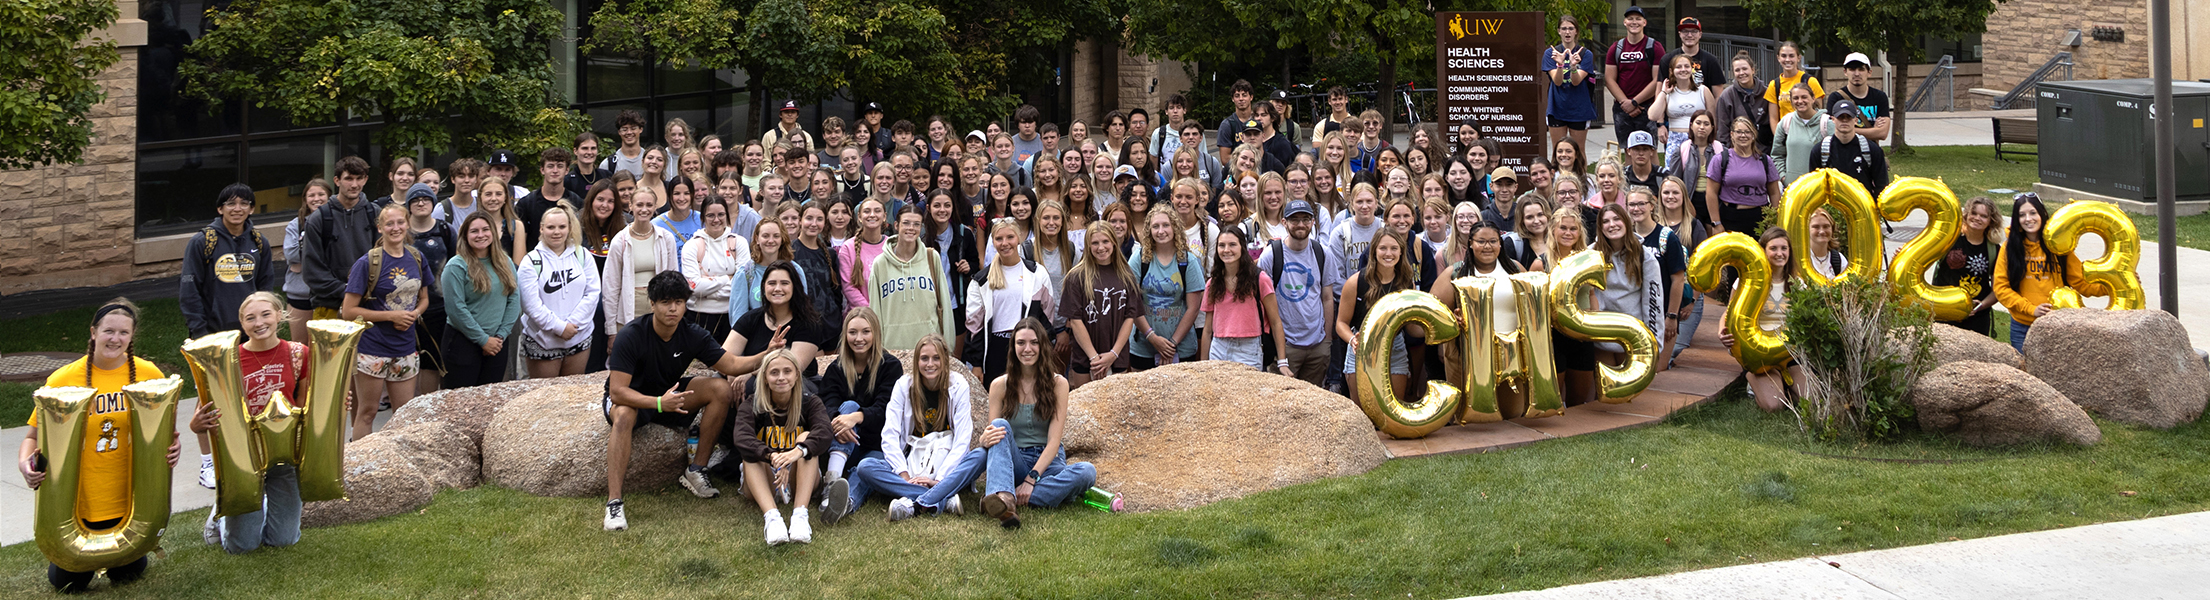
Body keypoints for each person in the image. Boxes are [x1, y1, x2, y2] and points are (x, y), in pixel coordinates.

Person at [17, 298, 179, 592]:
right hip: (81, 500)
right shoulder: (64, 379)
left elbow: (167, 432)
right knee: (67, 583)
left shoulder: (149, 375)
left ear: (132, 337)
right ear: (93, 332)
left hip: (126, 498)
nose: (115, 339)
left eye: (123, 333)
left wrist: (173, 447)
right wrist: (25, 465)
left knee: (128, 574)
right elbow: (31, 437)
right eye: (108, 331)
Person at [601, 272, 751, 530]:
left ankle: (696, 470)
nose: (673, 309)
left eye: (679, 302)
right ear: (652, 304)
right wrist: (660, 403)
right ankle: (614, 503)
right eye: (665, 302)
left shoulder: (692, 333)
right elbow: (617, 392)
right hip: (635, 399)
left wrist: (770, 353)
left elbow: (732, 364)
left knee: (720, 389)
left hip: (669, 395)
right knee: (624, 415)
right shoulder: (631, 334)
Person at [935, 318, 1096, 529]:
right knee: (1000, 425)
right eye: (1021, 343)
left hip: (1048, 464)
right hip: (1016, 460)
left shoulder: (1059, 384)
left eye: (1034, 343)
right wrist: (984, 438)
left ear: (1042, 346)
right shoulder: (999, 385)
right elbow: (995, 436)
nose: (1027, 349)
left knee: (1087, 472)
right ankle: (1014, 497)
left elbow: (1054, 442)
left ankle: (1003, 497)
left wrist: (1030, 481)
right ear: (1013, 347)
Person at [190, 292, 308, 554]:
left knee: (284, 541)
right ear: (242, 324)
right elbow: (202, 414)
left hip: (284, 454)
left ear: (279, 315)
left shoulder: (299, 354)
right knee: (241, 547)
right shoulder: (228, 360)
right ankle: (219, 519)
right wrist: (197, 423)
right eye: (250, 318)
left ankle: (261, 506)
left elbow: (305, 403)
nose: (259, 323)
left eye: (266, 314)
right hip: (243, 456)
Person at [829, 333, 969, 522]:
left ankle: (923, 495)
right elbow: (890, 434)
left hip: (944, 457)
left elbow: (962, 439)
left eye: (936, 358)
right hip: (911, 458)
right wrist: (903, 475)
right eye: (924, 358)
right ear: (916, 361)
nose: (930, 364)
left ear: (945, 360)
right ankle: (939, 498)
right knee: (866, 466)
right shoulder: (904, 386)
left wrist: (940, 479)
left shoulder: (958, 385)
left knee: (973, 461)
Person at [727, 348, 833, 545]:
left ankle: (800, 516)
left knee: (807, 438)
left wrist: (796, 453)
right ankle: (772, 519)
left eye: (787, 371)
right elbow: (741, 437)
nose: (781, 378)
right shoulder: (753, 404)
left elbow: (825, 433)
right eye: (774, 372)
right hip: (765, 478)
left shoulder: (810, 402)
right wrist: (772, 457)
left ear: (796, 376)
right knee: (750, 453)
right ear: (765, 377)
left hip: (798, 477)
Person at [342, 204, 429, 440]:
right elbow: (348, 311)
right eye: (389, 224)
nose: (395, 228)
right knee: (367, 412)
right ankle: (361, 464)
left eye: (400, 222)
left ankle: (396, 466)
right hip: (373, 349)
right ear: (380, 228)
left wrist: (414, 314)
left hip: (405, 347)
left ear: (407, 224)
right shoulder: (367, 263)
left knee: (402, 414)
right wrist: (391, 316)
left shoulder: (417, 258)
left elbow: (423, 299)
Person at [814, 308, 904, 512]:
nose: (859, 338)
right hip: (842, 446)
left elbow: (887, 409)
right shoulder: (836, 368)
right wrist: (840, 420)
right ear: (845, 335)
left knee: (866, 468)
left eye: (866, 331)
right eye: (852, 332)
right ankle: (831, 483)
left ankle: (845, 505)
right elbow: (825, 405)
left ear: (876, 334)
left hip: (877, 445)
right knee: (847, 406)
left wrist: (857, 417)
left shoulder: (890, 366)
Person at [1993, 193, 2101, 351]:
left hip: (2056, 326)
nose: (2028, 219)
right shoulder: (2009, 248)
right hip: (2022, 327)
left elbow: (2080, 283)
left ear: (2042, 214)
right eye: (2022, 215)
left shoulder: (2059, 247)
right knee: (2024, 373)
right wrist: (2031, 309)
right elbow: (2001, 288)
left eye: (2032, 213)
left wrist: (2112, 285)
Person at [1723, 228, 1807, 411]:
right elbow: (1728, 313)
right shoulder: (1746, 281)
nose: (1779, 253)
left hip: (1789, 352)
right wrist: (1722, 333)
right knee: (1774, 406)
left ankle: (1786, 381)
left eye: (1784, 248)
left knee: (1811, 402)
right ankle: (1753, 379)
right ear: (1763, 251)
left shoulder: (1797, 283)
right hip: (1759, 353)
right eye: (1773, 248)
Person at [442, 212, 522, 387]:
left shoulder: (505, 262)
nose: (481, 235)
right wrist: (483, 340)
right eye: (474, 231)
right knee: (460, 404)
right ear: (465, 235)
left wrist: (500, 336)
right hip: (463, 344)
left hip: (497, 344)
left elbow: (514, 299)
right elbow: (456, 309)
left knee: (490, 401)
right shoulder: (456, 266)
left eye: (485, 229)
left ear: (493, 232)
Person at [966, 219, 1051, 384]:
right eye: (999, 239)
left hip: (1027, 346)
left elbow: (1047, 316)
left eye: (1010, 237)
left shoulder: (1037, 273)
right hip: (995, 349)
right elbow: (974, 326)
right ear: (993, 242)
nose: (1005, 243)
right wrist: (976, 363)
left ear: (1018, 238)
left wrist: (1043, 350)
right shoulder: (981, 280)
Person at [1336, 228, 1417, 400]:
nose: (1389, 253)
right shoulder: (1355, 282)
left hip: (1395, 347)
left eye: (1394, 248)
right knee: (1362, 415)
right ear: (1374, 251)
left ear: (1401, 251)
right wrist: (1352, 340)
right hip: (1361, 348)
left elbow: (1411, 327)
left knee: (1394, 412)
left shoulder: (1407, 282)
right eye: (1383, 248)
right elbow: (1341, 324)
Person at [602, 186, 683, 351]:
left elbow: (673, 279)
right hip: (629, 306)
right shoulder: (620, 240)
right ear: (631, 206)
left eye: (649, 205)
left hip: (660, 305)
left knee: (658, 353)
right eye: (639, 205)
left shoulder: (665, 238)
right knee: (631, 355)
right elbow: (610, 287)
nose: (644, 209)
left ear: (655, 207)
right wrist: (611, 331)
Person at [1200, 227, 1291, 373]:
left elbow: (1275, 321)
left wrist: (1282, 362)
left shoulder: (1259, 279)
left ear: (1242, 247)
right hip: (1218, 347)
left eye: (1232, 245)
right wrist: (1203, 365)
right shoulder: (1213, 283)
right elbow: (1208, 329)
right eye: (1221, 245)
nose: (1226, 250)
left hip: (1249, 348)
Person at [1060, 221, 1138, 388]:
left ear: (1114, 243)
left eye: (1105, 242)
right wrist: (1094, 357)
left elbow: (1130, 317)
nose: (1100, 247)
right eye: (1095, 243)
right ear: (1088, 246)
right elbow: (1075, 320)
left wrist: (1113, 354)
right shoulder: (1076, 277)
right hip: (1086, 357)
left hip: (1117, 356)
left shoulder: (1126, 275)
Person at [1589, 204, 1666, 374]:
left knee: (1629, 394)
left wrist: (1654, 343)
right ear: (1600, 227)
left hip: (1632, 335)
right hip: (1602, 333)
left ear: (1626, 221)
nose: (1612, 225)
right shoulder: (1591, 254)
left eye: (1617, 219)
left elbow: (1653, 303)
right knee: (1604, 389)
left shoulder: (1645, 256)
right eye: (1606, 221)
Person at [1128, 204, 1206, 369]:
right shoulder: (1139, 258)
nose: (1160, 231)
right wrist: (1152, 338)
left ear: (1175, 227)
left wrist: (1171, 345)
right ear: (1149, 230)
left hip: (1181, 349)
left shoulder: (1188, 261)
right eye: (1155, 226)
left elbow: (1193, 308)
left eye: (1165, 225)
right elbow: (1132, 302)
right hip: (1143, 347)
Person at [868, 205, 957, 351]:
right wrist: (878, 349)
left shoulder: (931, 257)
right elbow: (875, 311)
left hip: (929, 347)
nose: (911, 228)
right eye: (906, 223)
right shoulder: (880, 263)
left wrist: (947, 346)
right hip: (892, 347)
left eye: (916, 224)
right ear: (896, 225)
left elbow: (945, 304)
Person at [305, 157, 379, 319]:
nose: (354, 185)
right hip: (329, 306)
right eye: (349, 179)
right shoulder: (318, 219)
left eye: (359, 178)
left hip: (369, 305)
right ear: (337, 181)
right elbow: (312, 272)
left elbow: (385, 257)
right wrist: (348, 290)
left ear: (366, 179)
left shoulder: (375, 213)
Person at [403, 183, 457, 394]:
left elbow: (457, 266)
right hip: (407, 310)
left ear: (433, 202)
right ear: (408, 205)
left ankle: (437, 406)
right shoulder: (401, 231)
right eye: (415, 200)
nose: (421, 203)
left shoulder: (444, 230)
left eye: (425, 199)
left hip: (441, 308)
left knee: (438, 361)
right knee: (415, 362)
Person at [680, 196, 751, 343]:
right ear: (703, 218)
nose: (716, 220)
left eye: (721, 215)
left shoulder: (739, 243)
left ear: (727, 215)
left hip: (731, 317)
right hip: (698, 317)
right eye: (710, 215)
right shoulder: (691, 246)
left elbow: (742, 286)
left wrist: (708, 288)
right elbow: (694, 287)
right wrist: (728, 278)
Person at [1655, 177, 1710, 362]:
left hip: (1687, 294)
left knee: (1675, 348)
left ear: (1684, 196)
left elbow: (1704, 268)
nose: (1671, 196)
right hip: (1658, 293)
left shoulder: (1695, 226)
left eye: (1675, 192)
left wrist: (1692, 300)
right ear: (1660, 196)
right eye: (1666, 192)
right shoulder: (1652, 224)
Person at [1934, 197, 2005, 336]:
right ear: (1966, 215)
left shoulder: (1994, 250)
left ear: (1991, 221)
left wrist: (1980, 306)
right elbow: (1921, 259)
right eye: (1974, 213)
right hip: (1944, 312)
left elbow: (1998, 289)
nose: (1977, 218)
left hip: (1977, 318)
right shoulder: (1948, 241)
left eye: (1984, 216)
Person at [1706, 117, 1783, 235]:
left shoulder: (1765, 160)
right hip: (1730, 217)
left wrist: (1773, 220)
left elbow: (1774, 193)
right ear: (1732, 134)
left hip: (1759, 218)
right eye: (1739, 132)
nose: (1743, 135)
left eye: (1748, 132)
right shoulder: (1720, 159)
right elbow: (1711, 192)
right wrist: (1716, 223)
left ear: (1753, 135)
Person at [1603, 6, 1666, 147]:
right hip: (1622, 108)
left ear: (1645, 22)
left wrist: (1635, 102)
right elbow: (1609, 79)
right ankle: (1629, 171)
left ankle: (1653, 171)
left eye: (1638, 19)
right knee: (1628, 150)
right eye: (1630, 19)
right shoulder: (1616, 48)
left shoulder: (1654, 47)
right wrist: (1626, 103)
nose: (1634, 22)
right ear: (1625, 22)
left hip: (1647, 107)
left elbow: (1657, 80)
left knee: (1649, 149)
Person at [1808, 100, 1889, 198]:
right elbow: (1814, 187)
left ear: (1855, 120)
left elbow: (1882, 186)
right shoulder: (1820, 151)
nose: (1845, 120)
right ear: (1833, 119)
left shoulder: (1872, 150)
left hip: (1863, 206)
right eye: (1840, 117)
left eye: (1848, 117)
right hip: (1832, 208)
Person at [1542, 14, 1599, 150]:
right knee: (1558, 150)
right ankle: (1558, 173)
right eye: (1564, 28)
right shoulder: (1551, 53)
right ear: (1559, 31)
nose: (1567, 32)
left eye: (1571, 28)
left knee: (1578, 151)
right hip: (1557, 107)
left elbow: (1576, 81)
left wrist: (1573, 67)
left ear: (1576, 31)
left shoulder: (1585, 54)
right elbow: (1557, 81)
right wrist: (1560, 65)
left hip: (1579, 108)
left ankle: (1580, 173)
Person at [285, 179, 331, 343]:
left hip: (330, 295)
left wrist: (305, 256)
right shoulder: (295, 225)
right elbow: (291, 254)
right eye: (311, 195)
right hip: (300, 295)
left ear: (329, 197)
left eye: (321, 194)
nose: (316, 199)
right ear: (305, 199)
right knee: (300, 351)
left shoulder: (337, 222)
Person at [1657, 53, 1717, 165]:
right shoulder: (1668, 92)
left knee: (1700, 176)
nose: (1683, 70)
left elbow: (1712, 120)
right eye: (1678, 67)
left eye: (1687, 66)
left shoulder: (1703, 91)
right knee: (1674, 177)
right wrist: (1663, 92)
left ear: (1692, 69)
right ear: (1671, 71)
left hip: (1699, 140)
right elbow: (1652, 115)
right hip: (1675, 140)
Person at [1771, 82, 1834, 186]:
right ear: (1791, 101)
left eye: (1804, 97)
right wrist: (1783, 177)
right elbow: (1777, 154)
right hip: (1793, 189)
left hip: (1820, 188)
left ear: (1813, 98)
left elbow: (1836, 155)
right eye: (1795, 98)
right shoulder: (1786, 122)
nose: (1800, 101)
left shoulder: (1827, 124)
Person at [1665, 110, 1720, 226]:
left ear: (1712, 128)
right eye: (1698, 123)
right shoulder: (1682, 150)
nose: (1702, 127)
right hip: (1691, 200)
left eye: (1706, 124)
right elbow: (1675, 181)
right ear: (1691, 125)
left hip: (1715, 201)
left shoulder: (1720, 151)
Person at [518, 148, 581, 250]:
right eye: (550, 166)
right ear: (542, 170)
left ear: (567, 170)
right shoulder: (526, 204)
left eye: (560, 166)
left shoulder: (576, 202)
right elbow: (520, 243)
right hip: (536, 262)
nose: (555, 170)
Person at [1712, 51, 1773, 154]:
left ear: (1753, 70)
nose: (1741, 73)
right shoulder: (1727, 96)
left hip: (1764, 152)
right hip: (1737, 153)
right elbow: (1723, 129)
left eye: (1745, 69)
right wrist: (1727, 154)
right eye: (1737, 70)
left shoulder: (1768, 92)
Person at [1826, 52, 1892, 142]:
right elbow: (1831, 130)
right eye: (1852, 69)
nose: (1857, 74)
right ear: (1845, 72)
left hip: (1871, 152)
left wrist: (1846, 130)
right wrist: (1873, 130)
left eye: (1861, 69)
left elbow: (1882, 133)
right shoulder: (1836, 97)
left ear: (1869, 72)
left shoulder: (1879, 97)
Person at [1763, 42, 1824, 133]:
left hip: (1808, 133)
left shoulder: (1810, 81)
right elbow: (1773, 119)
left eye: (1791, 56)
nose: (1787, 59)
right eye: (1783, 56)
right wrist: (1779, 140)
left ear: (1798, 58)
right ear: (1778, 58)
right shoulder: (1774, 85)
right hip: (1786, 135)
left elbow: (1819, 113)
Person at [1661, 17, 1726, 91]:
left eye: (1694, 31)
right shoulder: (1667, 59)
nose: (1689, 35)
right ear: (1679, 34)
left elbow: (1718, 95)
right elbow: (1660, 90)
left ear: (1700, 34)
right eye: (1685, 31)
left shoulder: (1711, 61)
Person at [1806, 208, 1849, 280]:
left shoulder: (1839, 259)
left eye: (1826, 226)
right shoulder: (1800, 259)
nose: (1822, 231)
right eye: (1816, 227)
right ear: (1806, 230)